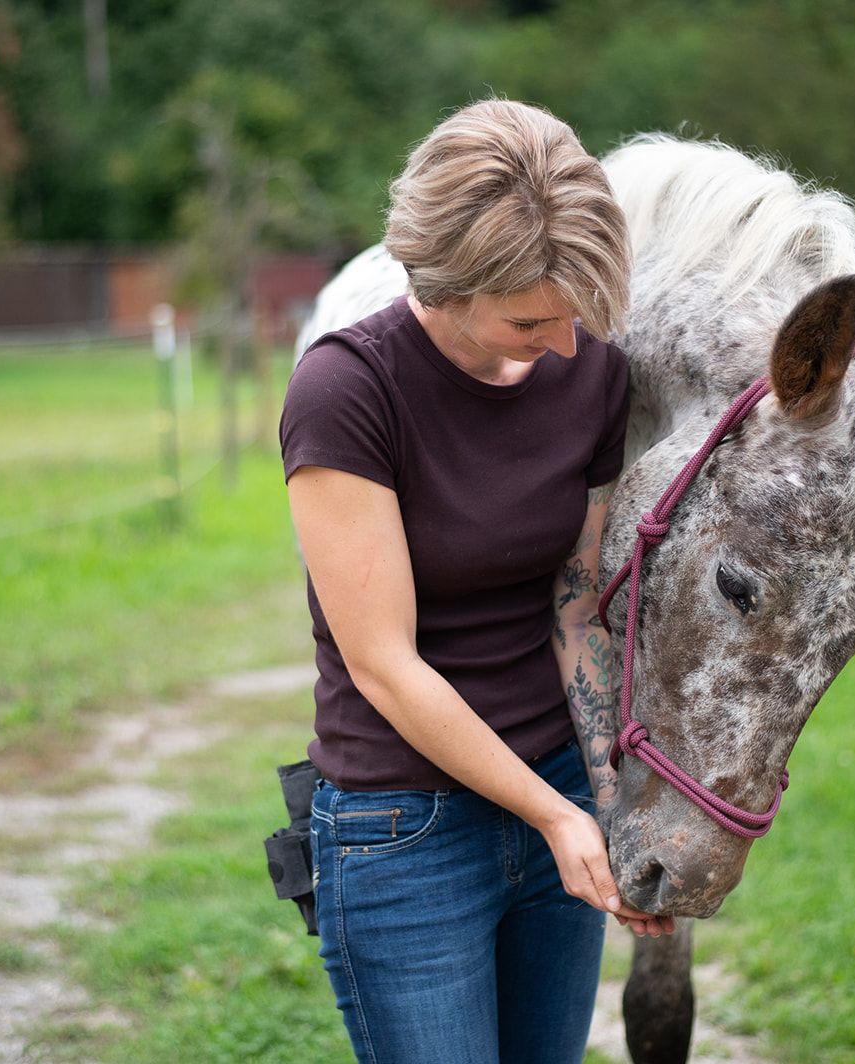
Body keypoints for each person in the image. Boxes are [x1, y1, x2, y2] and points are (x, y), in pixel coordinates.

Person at [279, 98, 672, 1064]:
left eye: (576, 311)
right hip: (403, 830)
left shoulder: (591, 370)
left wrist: (609, 803)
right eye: (531, 319)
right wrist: (555, 816)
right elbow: (384, 664)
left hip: (556, 788)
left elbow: (577, 609)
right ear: (446, 282)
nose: (567, 343)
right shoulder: (346, 391)